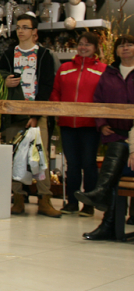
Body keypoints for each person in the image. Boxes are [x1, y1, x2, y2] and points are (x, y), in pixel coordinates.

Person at [0, 13, 62, 218]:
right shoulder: (9, 54)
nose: (21, 31)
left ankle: (45, 198)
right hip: (13, 113)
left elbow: (46, 85)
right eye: (18, 27)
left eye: (25, 27)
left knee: (39, 155)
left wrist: (35, 114)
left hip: (36, 113)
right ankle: (18, 198)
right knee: (15, 155)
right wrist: (5, 83)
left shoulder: (44, 55)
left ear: (34, 32)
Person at [75, 34, 134, 240]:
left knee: (116, 162)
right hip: (115, 133)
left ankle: (104, 209)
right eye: (121, 45)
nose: (125, 48)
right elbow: (98, 100)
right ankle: (108, 222)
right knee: (117, 162)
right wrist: (102, 124)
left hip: (132, 137)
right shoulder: (109, 72)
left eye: (129, 45)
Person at [49, 32, 106, 217]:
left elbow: (105, 95)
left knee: (89, 164)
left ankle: (89, 204)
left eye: (88, 45)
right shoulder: (65, 68)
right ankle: (71, 202)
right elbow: (56, 91)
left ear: (95, 48)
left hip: (90, 125)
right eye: (81, 44)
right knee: (72, 164)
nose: (83, 47)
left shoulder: (103, 69)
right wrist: (59, 112)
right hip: (67, 124)